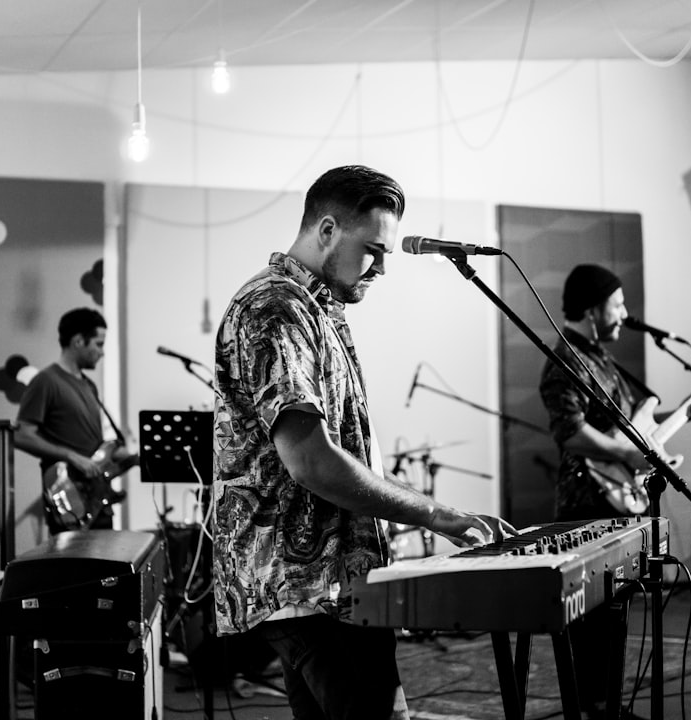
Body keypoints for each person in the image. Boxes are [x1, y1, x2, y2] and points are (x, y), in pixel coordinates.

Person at [211, 165, 515, 720]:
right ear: (326, 230)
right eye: (372, 249)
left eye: (388, 254)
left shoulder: (314, 309)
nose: (381, 267)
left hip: (328, 588)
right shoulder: (274, 309)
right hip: (306, 589)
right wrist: (437, 515)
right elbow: (311, 461)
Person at [538, 264, 691, 719]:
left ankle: (607, 706)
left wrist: (685, 411)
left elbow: (630, 426)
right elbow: (570, 432)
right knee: (590, 620)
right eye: (618, 304)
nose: (625, 313)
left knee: (614, 612)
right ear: (593, 310)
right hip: (586, 504)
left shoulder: (599, 358)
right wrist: (632, 457)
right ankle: (591, 707)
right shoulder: (566, 358)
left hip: (615, 499)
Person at [14, 307, 134, 535]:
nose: (102, 352)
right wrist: (71, 456)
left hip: (98, 500)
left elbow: (94, 449)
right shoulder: (46, 381)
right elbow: (21, 435)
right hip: (70, 500)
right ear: (78, 341)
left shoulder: (89, 385)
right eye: (98, 344)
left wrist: (132, 458)